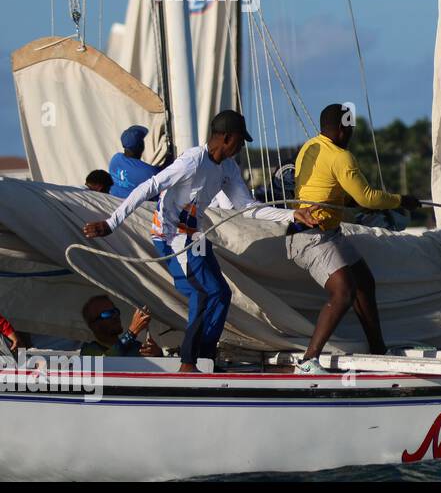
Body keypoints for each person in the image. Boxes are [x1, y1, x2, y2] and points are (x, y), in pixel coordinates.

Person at [82, 110, 317, 372]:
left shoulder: (228, 168)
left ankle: (205, 359)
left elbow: (247, 207)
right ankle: (188, 363)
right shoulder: (192, 160)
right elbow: (148, 187)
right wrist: (111, 223)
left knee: (221, 294)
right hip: (170, 236)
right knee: (203, 293)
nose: (241, 147)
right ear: (226, 138)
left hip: (193, 236)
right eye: (240, 141)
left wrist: (291, 214)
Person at [290, 104, 422, 373]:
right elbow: (368, 198)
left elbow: (330, 188)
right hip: (312, 237)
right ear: (341, 129)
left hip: (327, 233)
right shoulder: (342, 156)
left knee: (364, 282)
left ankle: (378, 349)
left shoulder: (310, 146)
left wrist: (346, 201)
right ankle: (308, 361)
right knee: (344, 291)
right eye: (349, 129)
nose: (351, 133)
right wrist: (401, 200)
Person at [78, 295, 162, 357]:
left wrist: (158, 355)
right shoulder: (88, 351)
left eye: (115, 311)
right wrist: (131, 333)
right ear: (93, 325)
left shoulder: (137, 347)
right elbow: (105, 364)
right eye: (107, 314)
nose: (115, 316)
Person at [108, 125, 163, 198]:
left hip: (114, 203)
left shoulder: (115, 159)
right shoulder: (150, 172)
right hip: (139, 208)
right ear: (142, 146)